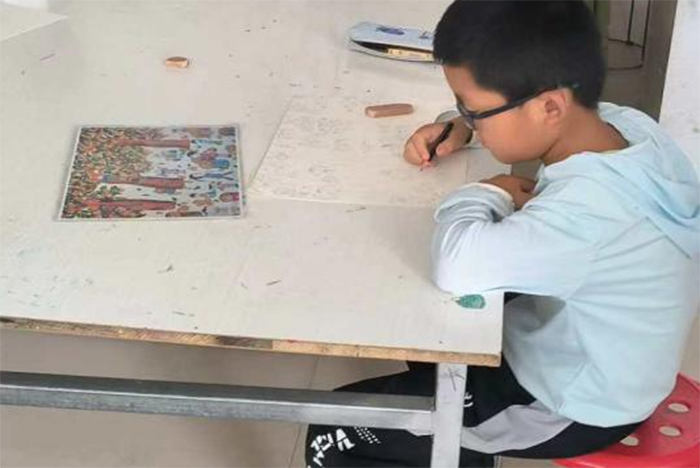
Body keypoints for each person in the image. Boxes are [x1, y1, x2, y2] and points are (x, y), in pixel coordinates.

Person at [305, 1, 700, 466]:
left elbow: (456, 262)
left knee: (335, 429)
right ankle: (458, 449)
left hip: (568, 404)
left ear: (549, 106)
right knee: (424, 316)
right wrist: (460, 128)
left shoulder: (586, 215)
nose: (468, 118)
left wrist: (486, 190)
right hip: (603, 358)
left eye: (474, 110)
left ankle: (459, 442)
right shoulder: (629, 128)